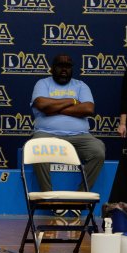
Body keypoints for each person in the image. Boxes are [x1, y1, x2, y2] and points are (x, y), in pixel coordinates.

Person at [30, 54, 106, 192]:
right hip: (47, 134)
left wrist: (54, 109)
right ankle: (49, 197)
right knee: (37, 146)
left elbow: (88, 108)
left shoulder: (81, 85)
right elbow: (42, 105)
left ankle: (81, 197)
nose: (64, 70)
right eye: (60, 66)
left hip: (80, 136)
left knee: (98, 150)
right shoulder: (43, 83)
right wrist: (72, 101)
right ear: (52, 69)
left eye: (68, 67)